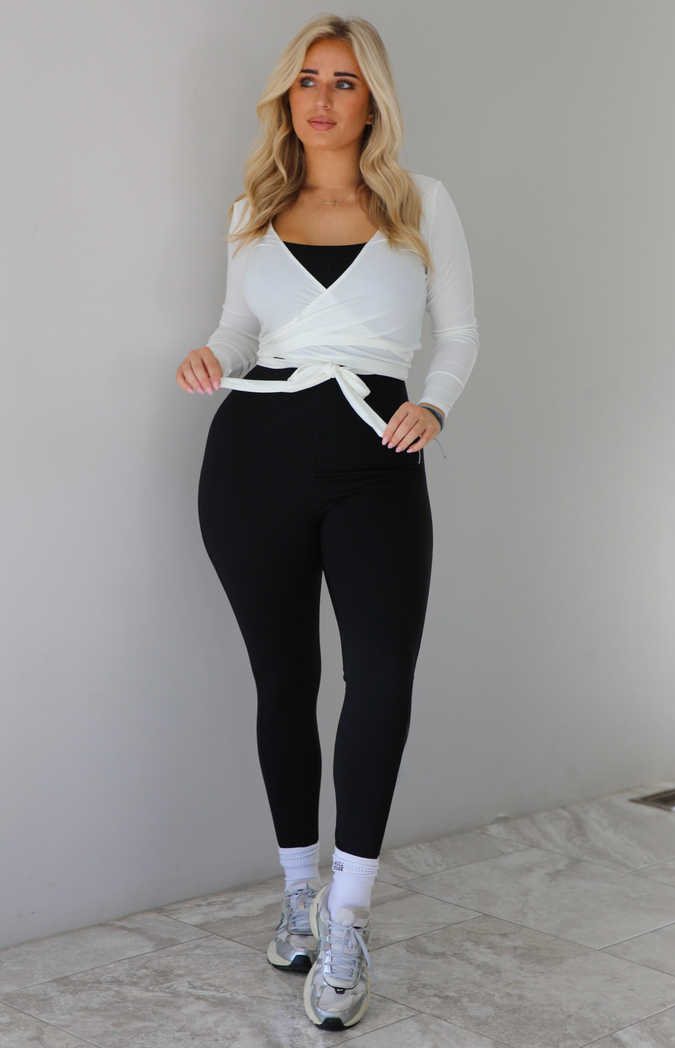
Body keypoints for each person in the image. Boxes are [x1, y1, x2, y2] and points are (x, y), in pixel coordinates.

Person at [176, 13, 478, 1032]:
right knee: (285, 680)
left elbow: (460, 332)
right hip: (251, 461)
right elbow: (238, 327)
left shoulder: (421, 201)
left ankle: (348, 919)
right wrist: (210, 354)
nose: (322, 96)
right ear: (287, 96)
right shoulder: (253, 207)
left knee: (381, 675)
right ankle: (299, 893)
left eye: (344, 81)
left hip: (374, 458)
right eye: (307, 79)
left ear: (372, 99)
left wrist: (433, 405)